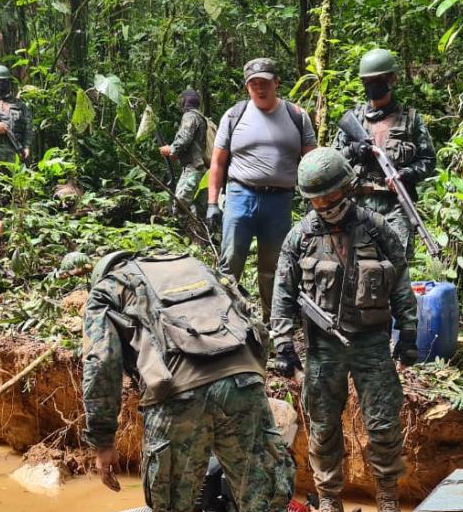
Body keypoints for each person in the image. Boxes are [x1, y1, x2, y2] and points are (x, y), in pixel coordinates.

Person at [81, 251, 327, 512]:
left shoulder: (108, 290)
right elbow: (252, 323)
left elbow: (100, 363)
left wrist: (101, 440)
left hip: (176, 397)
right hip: (242, 380)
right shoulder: (194, 268)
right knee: (267, 511)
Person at [270, 147, 418, 512]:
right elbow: (283, 293)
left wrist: (409, 333)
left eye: (331, 196)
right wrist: (283, 344)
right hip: (323, 348)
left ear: (347, 188)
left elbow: (401, 282)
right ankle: (330, 499)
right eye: (316, 199)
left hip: (371, 343)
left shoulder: (376, 228)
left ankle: (387, 497)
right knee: (322, 428)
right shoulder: (300, 237)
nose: (324, 205)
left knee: (383, 425)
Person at [206, 58, 317, 317]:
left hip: (279, 201)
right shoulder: (234, 115)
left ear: (276, 82)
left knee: (275, 267)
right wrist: (212, 203)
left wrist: (317, 203)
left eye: (265, 82)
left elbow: (312, 162)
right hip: (240, 195)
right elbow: (218, 162)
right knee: (230, 263)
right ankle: (225, 321)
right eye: (253, 83)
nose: (259, 88)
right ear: (247, 87)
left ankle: (274, 323)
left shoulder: (297, 116)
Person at [332, 48, 436, 259]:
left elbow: (428, 160)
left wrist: (405, 174)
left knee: (396, 266)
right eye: (368, 81)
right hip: (357, 204)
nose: (373, 86)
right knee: (357, 266)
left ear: (392, 79)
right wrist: (353, 151)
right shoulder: (354, 119)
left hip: (396, 205)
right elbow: (331, 161)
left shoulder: (411, 120)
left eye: (378, 80)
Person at [159, 89, 212, 216]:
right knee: (200, 209)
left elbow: (185, 138)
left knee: (180, 203)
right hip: (203, 170)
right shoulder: (201, 118)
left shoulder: (190, 116)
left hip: (193, 169)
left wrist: (171, 149)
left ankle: (179, 232)